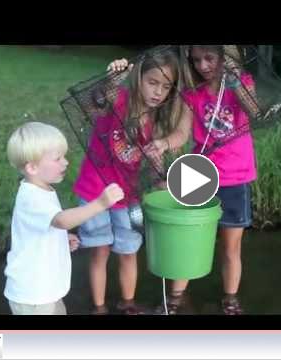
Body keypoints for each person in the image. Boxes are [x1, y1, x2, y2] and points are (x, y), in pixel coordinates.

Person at [145, 45, 258, 315]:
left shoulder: (242, 83)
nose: (203, 66)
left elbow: (254, 111)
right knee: (184, 236)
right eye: (196, 60)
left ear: (225, 56)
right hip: (198, 174)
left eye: (209, 58)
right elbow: (182, 134)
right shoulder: (192, 95)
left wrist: (234, 81)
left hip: (235, 176)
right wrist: (163, 143)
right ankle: (176, 297)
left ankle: (230, 299)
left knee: (231, 246)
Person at [74, 47, 184, 315]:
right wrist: (112, 80)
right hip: (95, 191)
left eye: (165, 86)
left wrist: (162, 180)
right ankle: (99, 308)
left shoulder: (156, 120)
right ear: (139, 79)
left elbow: (154, 160)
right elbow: (95, 104)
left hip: (126, 196)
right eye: (152, 83)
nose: (158, 91)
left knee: (128, 250)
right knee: (99, 252)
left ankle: (128, 304)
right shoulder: (120, 99)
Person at [4, 121, 124, 315]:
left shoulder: (42, 189)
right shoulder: (31, 196)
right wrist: (100, 204)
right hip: (34, 295)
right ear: (32, 168)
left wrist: (61, 238)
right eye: (57, 158)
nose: (65, 162)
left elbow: (45, 225)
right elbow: (61, 220)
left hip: (46, 290)